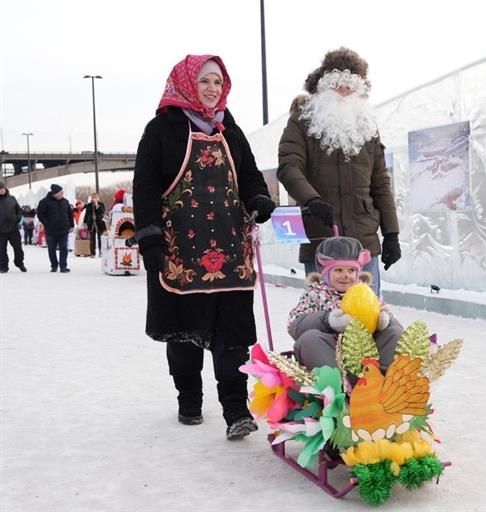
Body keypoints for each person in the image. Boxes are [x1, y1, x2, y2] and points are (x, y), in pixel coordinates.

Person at [133, 55, 276, 440]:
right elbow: (145, 188)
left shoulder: (231, 129)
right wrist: (150, 238)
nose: (212, 88)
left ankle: (236, 409)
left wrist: (258, 199)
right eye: (204, 81)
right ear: (185, 83)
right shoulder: (161, 130)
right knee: (185, 329)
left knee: (233, 332)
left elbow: (249, 177)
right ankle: (190, 399)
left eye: (217, 82)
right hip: (179, 251)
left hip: (231, 251)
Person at [277, 48, 401, 295]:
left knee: (365, 312)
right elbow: (289, 167)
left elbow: (380, 183)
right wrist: (311, 199)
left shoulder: (367, 126)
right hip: (321, 240)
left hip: (363, 242)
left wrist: (391, 233)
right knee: (322, 311)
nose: (344, 91)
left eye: (350, 85)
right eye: (337, 84)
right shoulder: (302, 121)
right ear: (323, 85)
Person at [287, 236, 402, 376]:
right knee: (309, 339)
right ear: (326, 273)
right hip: (332, 352)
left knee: (395, 333)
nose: (346, 275)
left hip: (367, 354)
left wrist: (384, 320)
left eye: (351, 270)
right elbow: (295, 326)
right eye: (339, 270)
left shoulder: (364, 292)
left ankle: (385, 379)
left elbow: (392, 324)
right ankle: (333, 382)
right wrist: (327, 320)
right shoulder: (316, 293)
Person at [36, 183, 73, 273]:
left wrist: (71, 225)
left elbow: (70, 214)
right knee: (51, 249)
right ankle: (54, 265)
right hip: (51, 230)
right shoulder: (44, 202)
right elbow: (40, 215)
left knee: (64, 248)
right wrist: (47, 224)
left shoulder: (65, 201)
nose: (62, 193)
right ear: (55, 193)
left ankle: (63, 266)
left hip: (64, 229)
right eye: (60, 192)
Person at [0, 181, 26, 273]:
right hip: (1, 231)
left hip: (13, 228)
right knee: (1, 250)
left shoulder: (12, 198)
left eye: (2, 188)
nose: (1, 190)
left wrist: (18, 218)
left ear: (5, 188)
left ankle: (19, 263)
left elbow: (19, 210)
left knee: (18, 247)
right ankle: (3, 266)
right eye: (0, 189)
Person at [83, 192, 106, 257]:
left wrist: (96, 206)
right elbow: (87, 214)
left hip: (99, 223)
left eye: (95, 197)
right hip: (91, 223)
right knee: (92, 239)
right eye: (93, 197)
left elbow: (102, 213)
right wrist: (85, 222)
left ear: (98, 198)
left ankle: (101, 251)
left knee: (100, 238)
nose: (94, 199)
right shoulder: (89, 205)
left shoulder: (101, 204)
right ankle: (92, 253)